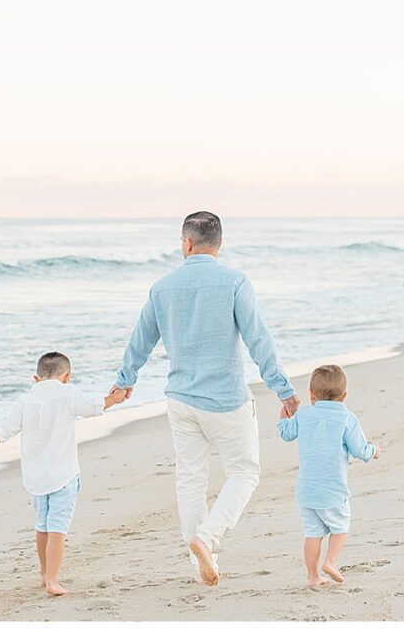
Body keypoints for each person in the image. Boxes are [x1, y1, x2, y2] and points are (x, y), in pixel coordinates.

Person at [110, 211, 300, 586]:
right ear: (220, 243)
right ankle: (207, 538)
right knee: (245, 472)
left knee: (191, 480)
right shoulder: (234, 281)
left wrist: (124, 381)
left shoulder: (162, 287)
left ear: (186, 243)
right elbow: (258, 338)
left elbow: (141, 339)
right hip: (226, 399)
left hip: (180, 399)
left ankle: (200, 558)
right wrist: (283, 389)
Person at [0, 352, 127, 595]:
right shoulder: (69, 393)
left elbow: (3, 431)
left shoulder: (25, 400)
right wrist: (117, 397)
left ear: (36, 378)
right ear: (67, 377)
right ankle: (52, 580)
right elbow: (94, 407)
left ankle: (43, 573)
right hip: (64, 475)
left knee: (42, 525)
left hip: (35, 478)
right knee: (58, 528)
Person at [278, 364, 380, 588]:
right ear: (344, 396)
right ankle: (331, 562)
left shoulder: (304, 414)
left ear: (311, 395)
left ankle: (313, 577)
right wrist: (374, 449)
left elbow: (286, 434)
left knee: (313, 533)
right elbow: (359, 451)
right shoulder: (347, 418)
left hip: (306, 491)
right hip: (333, 491)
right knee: (340, 527)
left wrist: (283, 418)